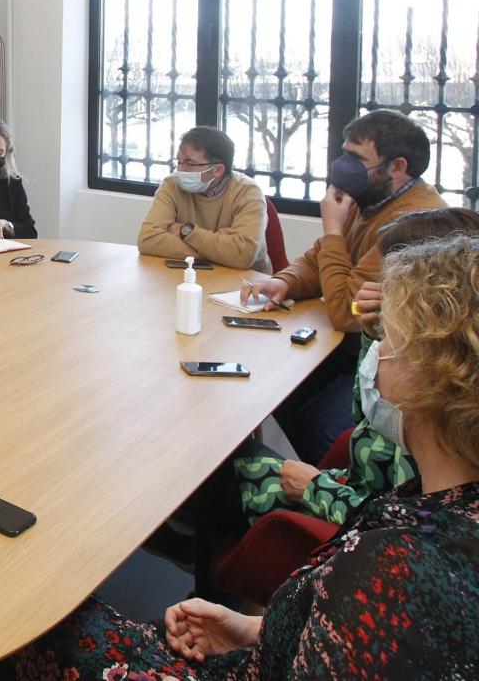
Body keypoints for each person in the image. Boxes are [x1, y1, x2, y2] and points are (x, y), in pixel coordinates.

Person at [0, 234, 479, 679]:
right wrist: (258, 629)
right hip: (253, 646)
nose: (374, 349)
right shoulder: (432, 504)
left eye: (387, 336)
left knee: (24, 613)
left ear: (431, 375)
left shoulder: (395, 576)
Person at [234, 207, 479, 528]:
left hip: (344, 512)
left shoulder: (436, 423)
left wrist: (315, 488)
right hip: (352, 487)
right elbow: (365, 417)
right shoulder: (418, 369)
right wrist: (374, 332)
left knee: (223, 466)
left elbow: (397, 523)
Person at [242, 109, 446, 463]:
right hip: (351, 349)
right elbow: (319, 258)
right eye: (343, 153)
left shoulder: (414, 223)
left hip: (392, 361)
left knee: (318, 426)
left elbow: (345, 311)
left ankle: (337, 495)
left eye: (356, 158)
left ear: (397, 167)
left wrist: (333, 229)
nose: (342, 166)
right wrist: (284, 281)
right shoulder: (368, 197)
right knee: (269, 388)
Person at [137, 126, 271, 271]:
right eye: (179, 161)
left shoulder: (248, 192)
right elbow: (147, 240)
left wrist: (185, 231)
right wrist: (221, 251)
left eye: (189, 163)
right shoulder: (172, 184)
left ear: (217, 170)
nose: (180, 170)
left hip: (246, 285)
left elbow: (243, 255)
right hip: (186, 276)